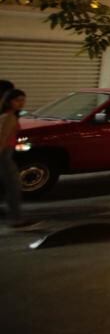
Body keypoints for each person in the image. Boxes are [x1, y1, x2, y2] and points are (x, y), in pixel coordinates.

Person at [2, 87, 36, 228]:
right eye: (17, 100)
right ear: (9, 101)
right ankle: (16, 219)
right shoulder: (9, 117)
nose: (21, 103)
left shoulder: (9, 115)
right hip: (4, 155)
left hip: (6, 153)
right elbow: (2, 138)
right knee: (14, 187)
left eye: (23, 100)